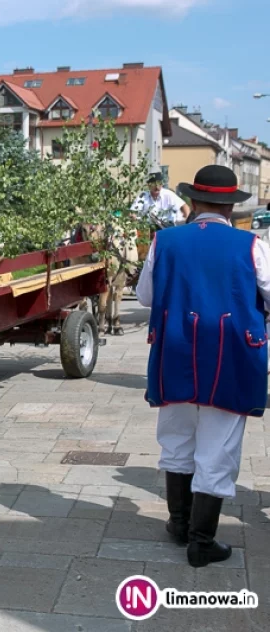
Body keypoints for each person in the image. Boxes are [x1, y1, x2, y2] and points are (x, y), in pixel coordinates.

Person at [137, 164, 270, 568]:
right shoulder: (251, 244)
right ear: (230, 207)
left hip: (175, 352)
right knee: (218, 446)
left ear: (193, 202)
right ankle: (201, 541)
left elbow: (145, 297)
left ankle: (179, 525)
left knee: (176, 439)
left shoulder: (164, 240)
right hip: (231, 358)